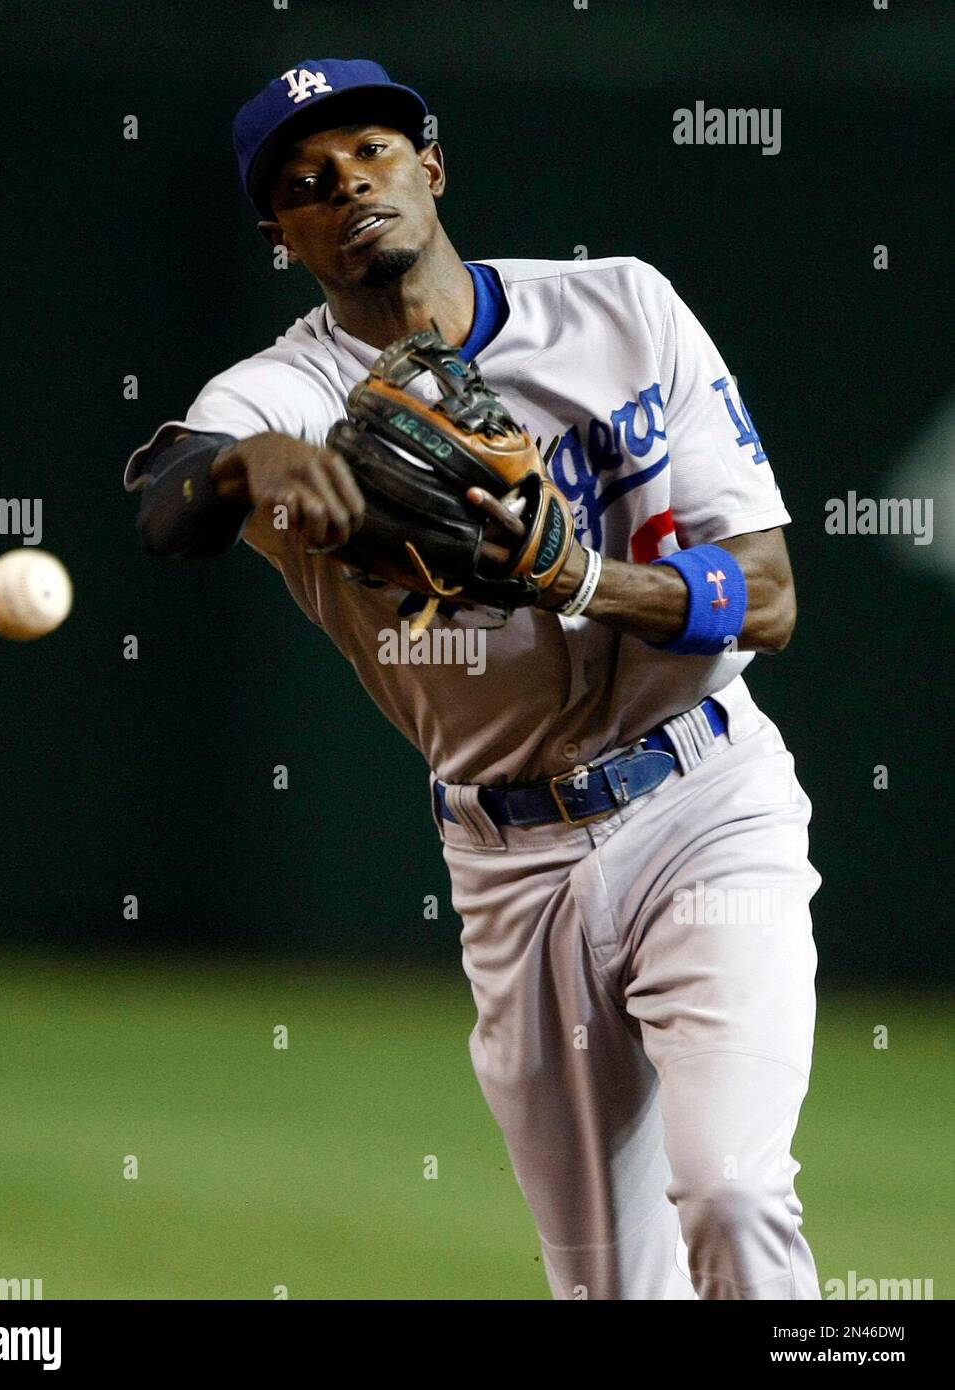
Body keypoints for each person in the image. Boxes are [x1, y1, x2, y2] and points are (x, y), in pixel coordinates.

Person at [124, 58, 822, 1301]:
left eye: (370, 153)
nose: (345, 186)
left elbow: (766, 596)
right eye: (305, 183)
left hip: (704, 805)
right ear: (280, 235)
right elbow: (167, 500)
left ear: (432, 166)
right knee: (605, 1282)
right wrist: (249, 470)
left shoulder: (622, 307)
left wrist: (587, 581)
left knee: (731, 1189)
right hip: (510, 863)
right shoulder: (282, 391)